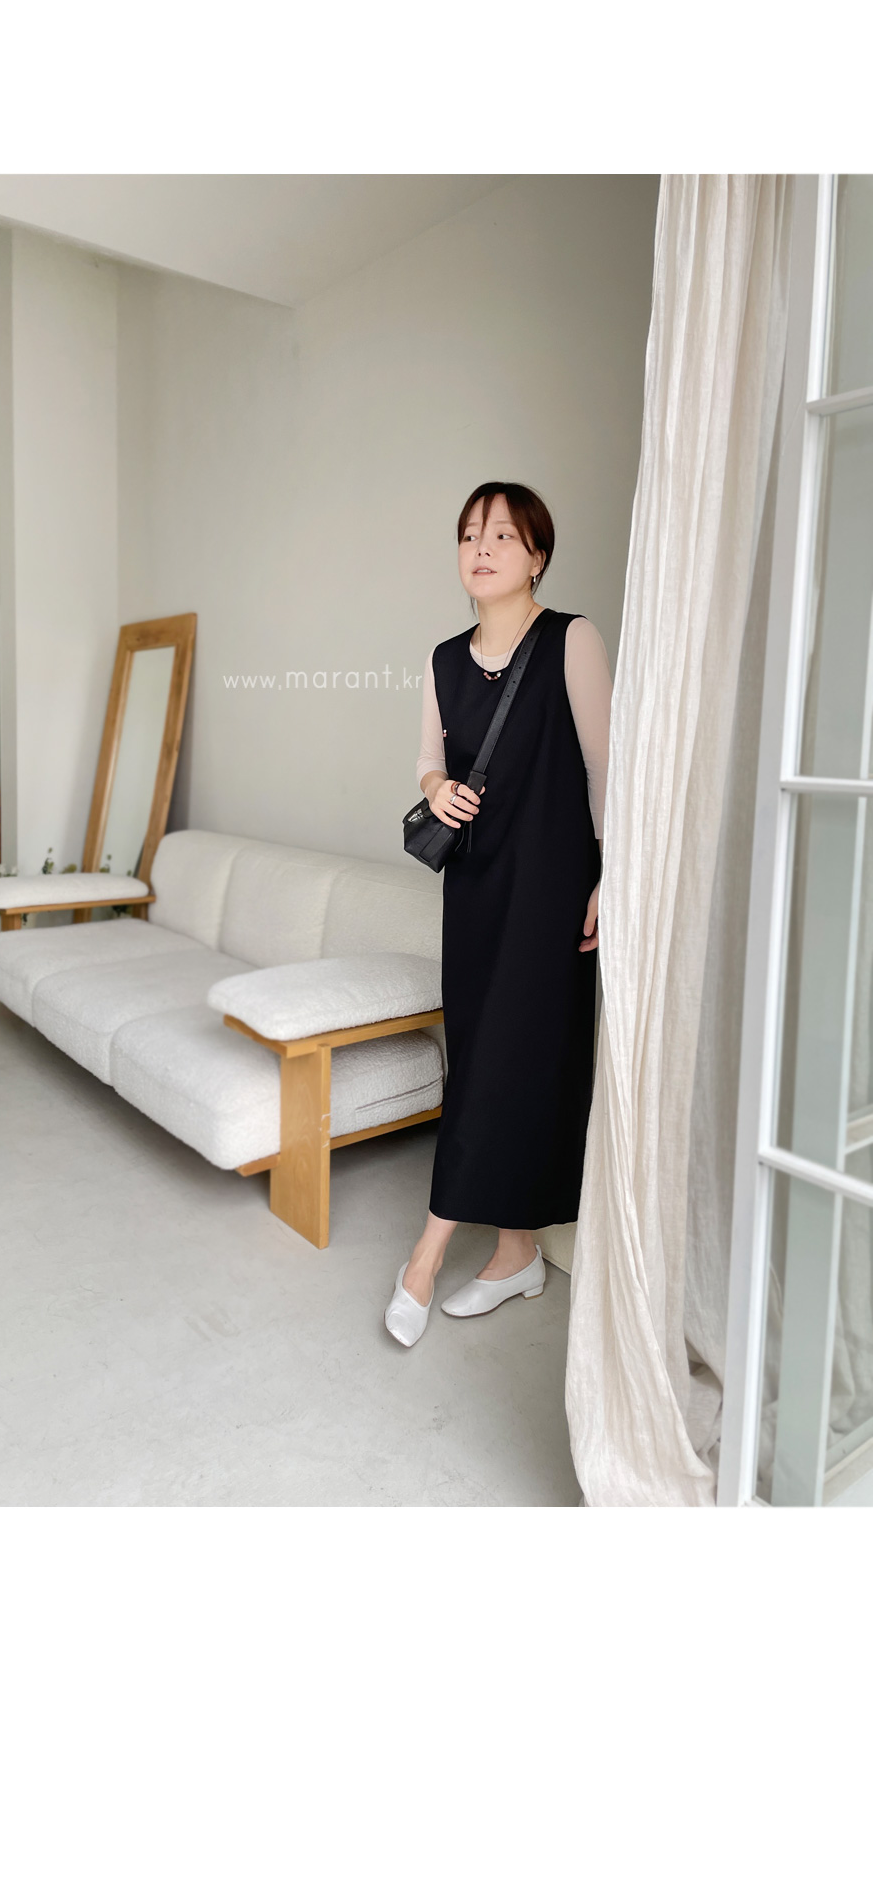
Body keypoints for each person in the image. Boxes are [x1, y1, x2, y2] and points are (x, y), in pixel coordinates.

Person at [385, 479, 612, 1346]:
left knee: (510, 1065)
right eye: (470, 535)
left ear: (537, 557)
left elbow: (606, 765)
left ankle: (425, 1255)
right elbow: (427, 760)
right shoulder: (445, 659)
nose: (481, 549)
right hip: (475, 889)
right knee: (486, 1057)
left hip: (553, 890)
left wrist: (612, 878)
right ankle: (517, 1254)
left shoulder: (572, 639)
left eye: (503, 536)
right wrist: (437, 788)